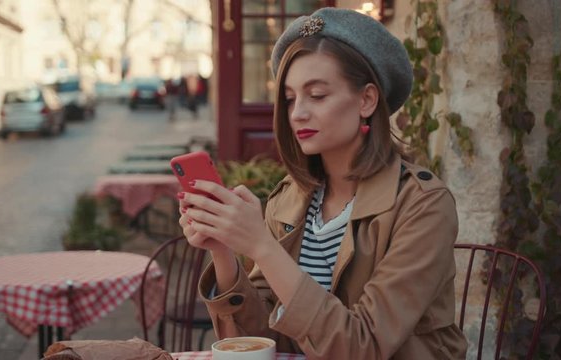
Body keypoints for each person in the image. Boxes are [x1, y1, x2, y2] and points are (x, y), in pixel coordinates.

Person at [177, 7, 468, 359]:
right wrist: (222, 249)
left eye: (316, 95)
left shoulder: (423, 205)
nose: (298, 112)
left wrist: (262, 247)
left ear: (366, 100)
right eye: (289, 98)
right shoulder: (291, 198)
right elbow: (263, 336)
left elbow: (364, 347)